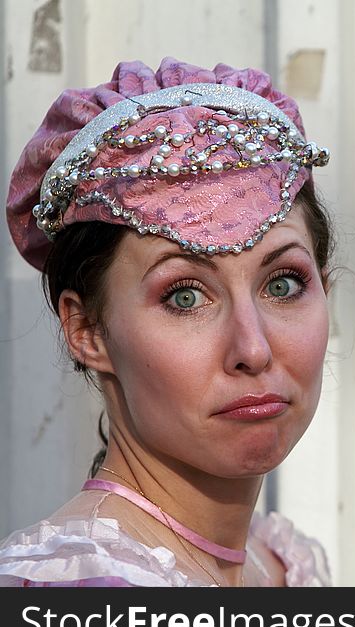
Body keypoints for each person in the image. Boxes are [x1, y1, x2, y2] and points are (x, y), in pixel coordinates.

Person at [0, 57, 334, 587]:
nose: (253, 347)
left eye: (282, 284)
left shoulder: (276, 565)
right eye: (184, 296)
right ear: (87, 330)